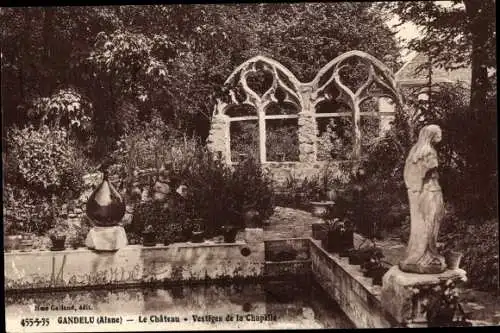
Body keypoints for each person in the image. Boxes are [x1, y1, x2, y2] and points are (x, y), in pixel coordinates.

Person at [399, 125, 447, 274]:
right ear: (431, 135)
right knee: (431, 222)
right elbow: (430, 168)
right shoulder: (428, 152)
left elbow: (409, 173)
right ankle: (426, 255)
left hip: (424, 192)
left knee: (428, 222)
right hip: (431, 191)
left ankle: (424, 253)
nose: (440, 136)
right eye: (438, 134)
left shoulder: (415, 150)